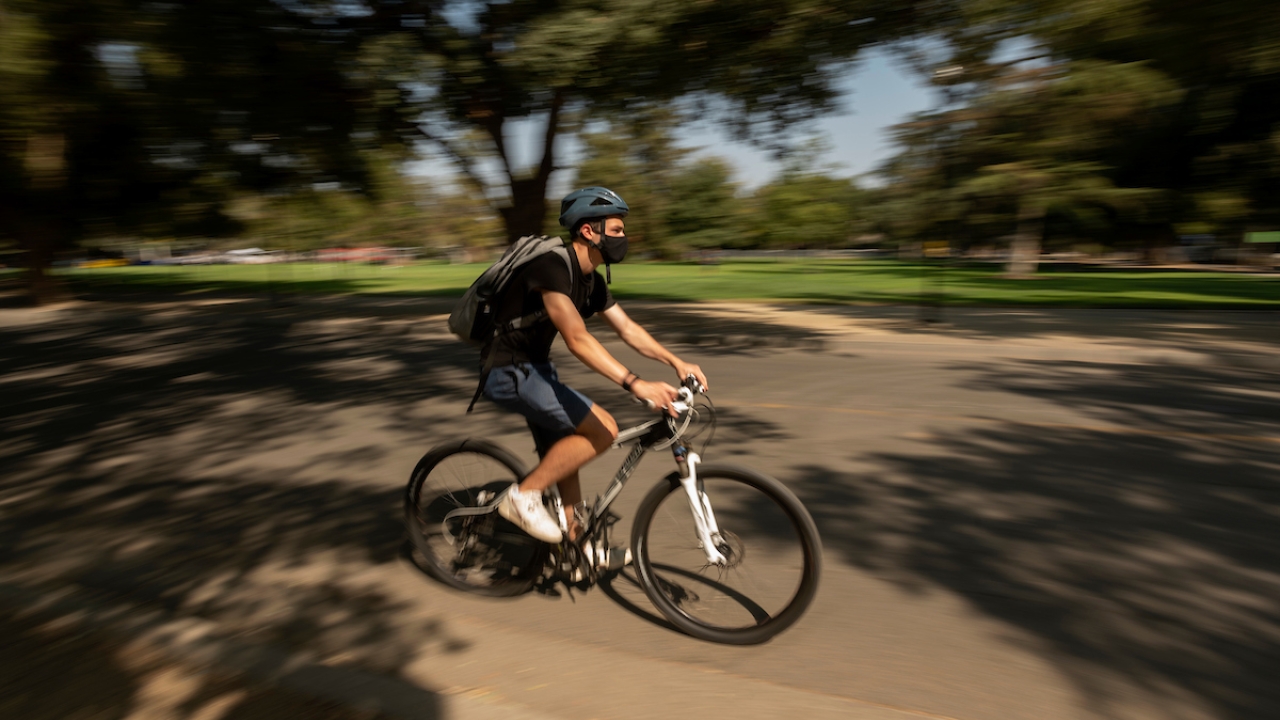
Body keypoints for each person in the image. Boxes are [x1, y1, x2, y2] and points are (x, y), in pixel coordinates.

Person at [480, 187, 709, 570]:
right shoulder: (551, 267)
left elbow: (628, 329)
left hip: (536, 370)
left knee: (568, 449)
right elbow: (577, 339)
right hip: (507, 371)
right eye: (617, 230)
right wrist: (636, 383)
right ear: (590, 231)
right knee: (602, 430)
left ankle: (576, 544)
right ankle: (521, 497)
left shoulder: (591, 283)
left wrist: (676, 361)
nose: (624, 238)